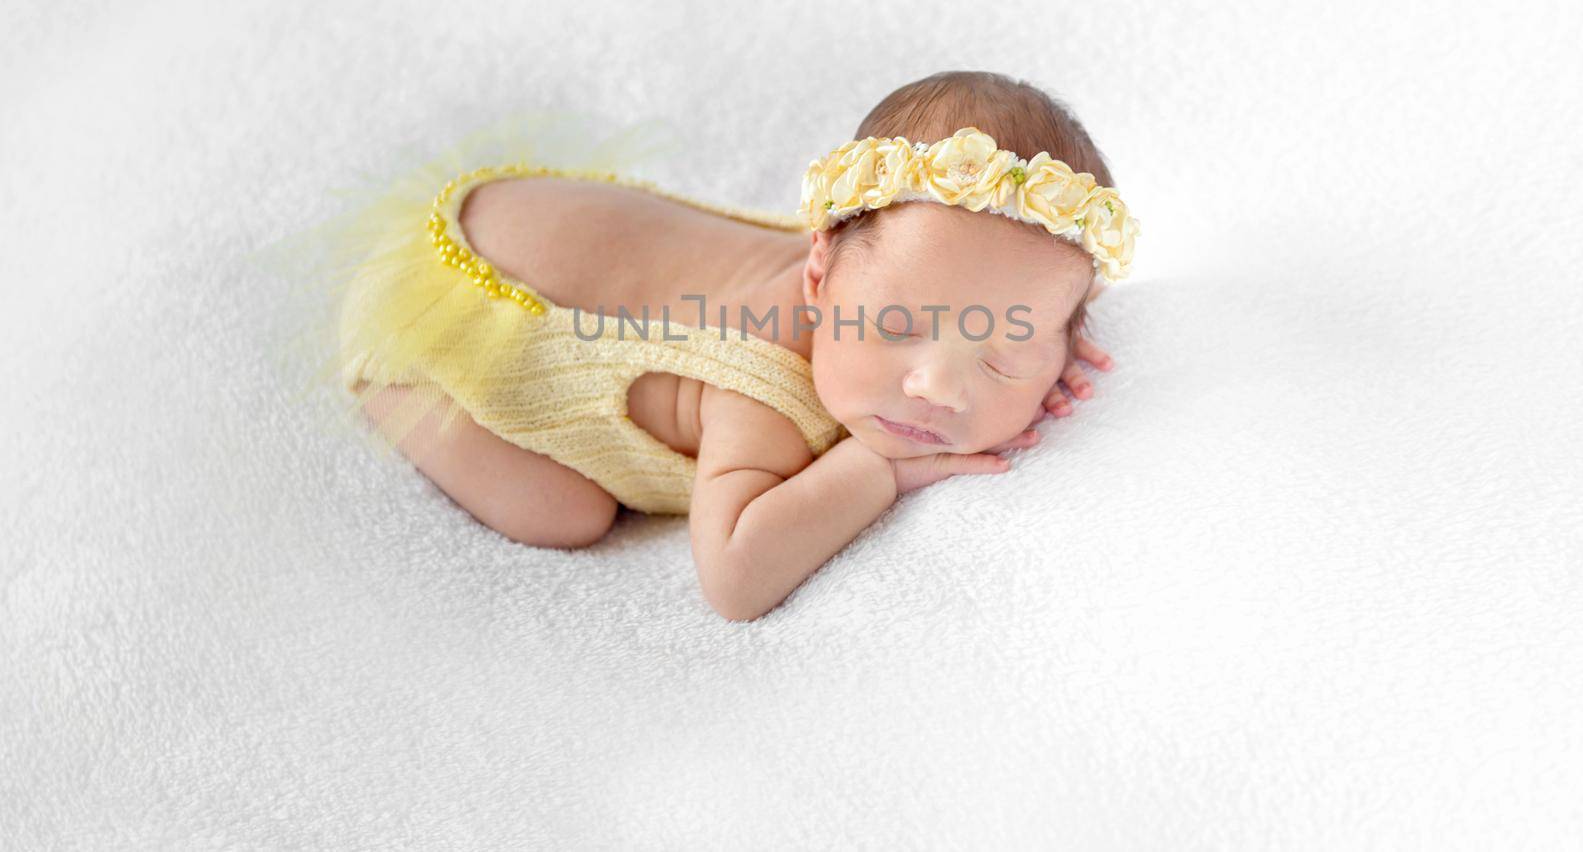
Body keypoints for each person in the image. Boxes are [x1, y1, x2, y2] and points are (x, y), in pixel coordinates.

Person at [322, 69, 1138, 621]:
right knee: (565, 512)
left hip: (572, 236)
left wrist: (1046, 351)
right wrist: (877, 467)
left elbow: (995, 289)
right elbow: (734, 579)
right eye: (896, 329)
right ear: (819, 275)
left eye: (1004, 353)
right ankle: (386, 387)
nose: (937, 386)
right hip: (466, 296)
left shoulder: (904, 266)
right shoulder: (762, 388)